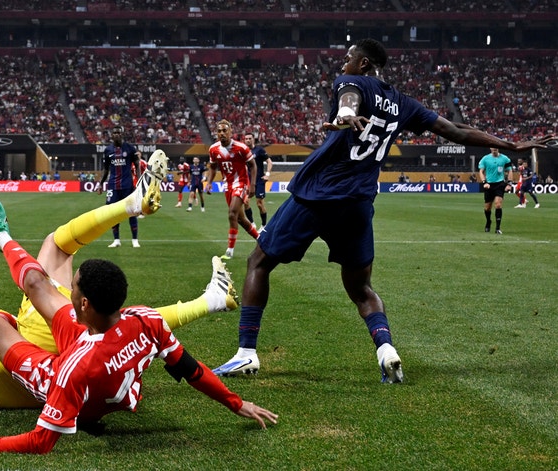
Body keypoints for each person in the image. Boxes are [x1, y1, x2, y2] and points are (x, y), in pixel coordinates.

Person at [212, 38, 553, 382]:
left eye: (348, 58)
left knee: (259, 262)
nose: (343, 64)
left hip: (318, 195)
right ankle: (386, 350)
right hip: (358, 204)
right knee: (361, 288)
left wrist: (347, 114)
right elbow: (455, 131)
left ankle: (246, 354)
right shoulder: (404, 103)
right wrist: (508, 144)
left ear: (363, 64)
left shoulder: (352, 82)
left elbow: (349, 99)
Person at [0, 154, 278, 454]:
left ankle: (5, 245)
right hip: (92, 346)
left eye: (72, 287)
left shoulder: (72, 370)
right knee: (38, 282)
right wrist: (237, 403)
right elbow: (191, 370)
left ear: (84, 303)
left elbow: (40, 442)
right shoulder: (145, 321)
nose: (67, 288)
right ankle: (3, 237)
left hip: (62, 372)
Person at [0, 151, 238, 409]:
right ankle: (133, 206)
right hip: (31, 353)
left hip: (45, 389)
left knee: (104, 319)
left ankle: (213, 299)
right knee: (58, 248)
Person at [206, 119, 259, 259]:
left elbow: (253, 165)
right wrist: (209, 182)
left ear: (230, 132)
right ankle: (261, 239)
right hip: (228, 185)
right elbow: (213, 167)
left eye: (225, 130)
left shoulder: (241, 148)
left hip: (241, 183)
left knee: (231, 214)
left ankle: (230, 250)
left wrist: (252, 185)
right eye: (219, 131)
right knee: (240, 218)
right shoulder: (213, 149)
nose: (222, 133)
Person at [97, 126, 142, 248]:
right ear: (112, 135)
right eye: (114, 133)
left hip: (127, 186)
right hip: (113, 186)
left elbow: (137, 165)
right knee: (112, 213)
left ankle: (135, 240)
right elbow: (106, 169)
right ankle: (116, 240)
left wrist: (139, 182)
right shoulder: (108, 150)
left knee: (132, 212)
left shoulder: (130, 148)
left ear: (122, 134)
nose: (116, 134)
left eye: (118, 132)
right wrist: (100, 184)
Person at [478, 148, 514, 234]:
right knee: (487, 207)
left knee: (498, 205)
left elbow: (510, 170)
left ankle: (498, 228)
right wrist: (484, 182)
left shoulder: (505, 158)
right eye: (492, 147)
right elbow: (481, 171)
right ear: (490, 148)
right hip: (489, 184)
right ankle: (488, 221)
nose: (494, 149)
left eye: (495, 147)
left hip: (500, 184)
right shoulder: (485, 158)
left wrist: (509, 184)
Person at [243, 132, 272, 228]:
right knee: (246, 202)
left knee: (259, 204)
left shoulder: (259, 150)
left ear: (253, 139)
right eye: (246, 139)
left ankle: (264, 225)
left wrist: (267, 174)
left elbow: (269, 162)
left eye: (249, 138)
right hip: (248, 181)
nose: (248, 140)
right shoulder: (243, 151)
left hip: (259, 180)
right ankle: (252, 223)